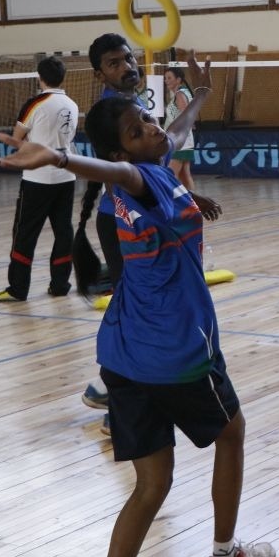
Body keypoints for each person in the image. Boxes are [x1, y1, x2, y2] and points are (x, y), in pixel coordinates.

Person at [0, 53, 276, 557]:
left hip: (123, 355)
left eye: (148, 119)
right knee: (231, 433)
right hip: (177, 352)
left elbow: (172, 135)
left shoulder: (151, 167)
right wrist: (60, 159)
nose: (153, 129)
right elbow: (118, 168)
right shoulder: (136, 177)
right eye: (139, 130)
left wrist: (200, 98)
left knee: (152, 484)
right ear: (122, 152)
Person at [78, 34, 222, 433]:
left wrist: (182, 193)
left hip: (145, 219)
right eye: (114, 63)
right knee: (138, 308)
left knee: (140, 306)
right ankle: (118, 395)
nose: (127, 67)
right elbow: (134, 175)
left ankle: (113, 386)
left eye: (128, 58)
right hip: (124, 224)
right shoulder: (112, 111)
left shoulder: (135, 105)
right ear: (99, 74)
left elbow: (166, 146)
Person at [0, 56, 79, 302]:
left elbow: (17, 138)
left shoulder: (35, 103)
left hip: (37, 178)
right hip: (66, 174)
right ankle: (60, 284)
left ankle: (18, 289)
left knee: (24, 233)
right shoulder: (72, 104)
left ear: (40, 78)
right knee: (63, 231)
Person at [163, 66, 197, 191]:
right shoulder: (184, 92)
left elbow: (186, 116)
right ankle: (192, 201)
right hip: (185, 138)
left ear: (178, 79)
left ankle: (173, 201)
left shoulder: (180, 94)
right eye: (165, 78)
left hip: (179, 140)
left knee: (171, 175)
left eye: (169, 78)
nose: (166, 81)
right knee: (184, 175)